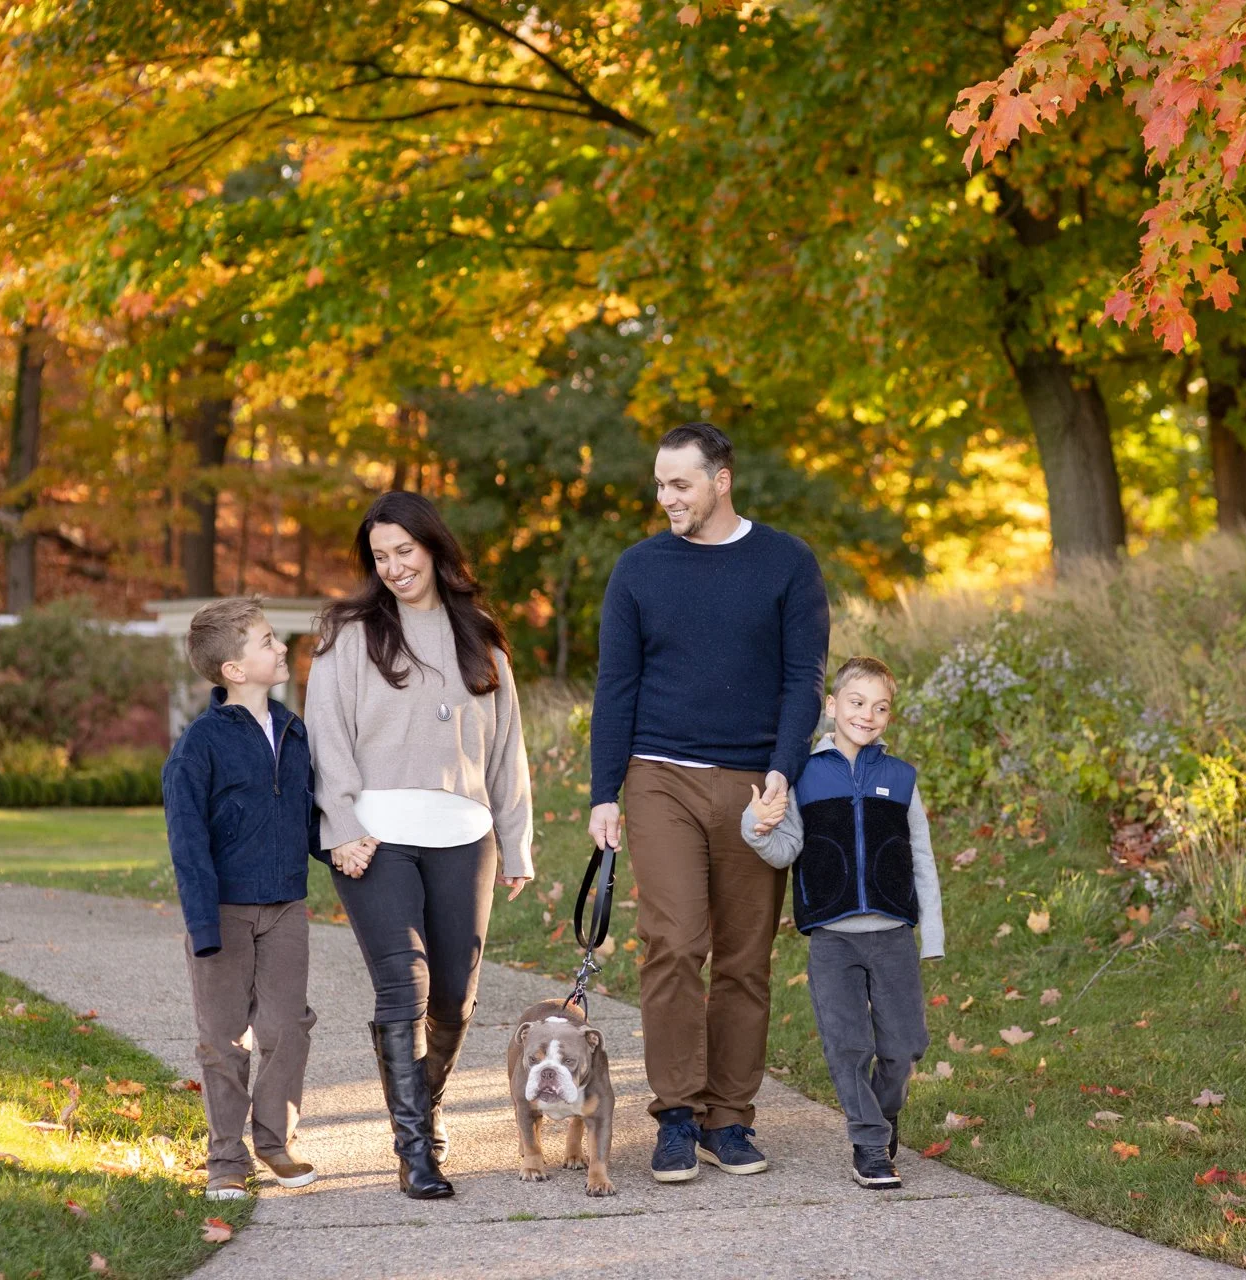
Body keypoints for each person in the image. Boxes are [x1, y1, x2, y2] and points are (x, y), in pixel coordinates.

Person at [588, 421, 830, 1183]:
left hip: (755, 784)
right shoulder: (639, 569)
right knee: (675, 942)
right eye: (659, 484)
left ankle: (730, 1118)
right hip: (659, 776)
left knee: (746, 958)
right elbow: (615, 687)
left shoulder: (786, 563)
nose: (666, 499)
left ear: (721, 480)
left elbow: (805, 679)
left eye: (679, 484)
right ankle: (676, 1114)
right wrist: (604, 794)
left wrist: (784, 772)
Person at [304, 491, 534, 1200]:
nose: (395, 566)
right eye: (381, 556)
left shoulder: (481, 636)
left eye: (405, 550)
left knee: (456, 998)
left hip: (465, 835)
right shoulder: (349, 632)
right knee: (405, 983)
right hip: (375, 837)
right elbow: (326, 731)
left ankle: (422, 1110)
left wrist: (517, 842)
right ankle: (416, 1149)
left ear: (433, 547)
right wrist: (340, 823)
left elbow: (507, 747)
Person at [741, 656, 944, 1190]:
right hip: (832, 938)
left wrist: (933, 934)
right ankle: (870, 1144)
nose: (867, 715)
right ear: (832, 706)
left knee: (905, 1044)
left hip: (893, 935)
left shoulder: (900, 778)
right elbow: (783, 848)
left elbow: (920, 855)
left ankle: (882, 1112)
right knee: (847, 1045)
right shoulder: (803, 774)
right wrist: (756, 825)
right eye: (857, 703)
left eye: (880, 707)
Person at [162, 597, 324, 1202]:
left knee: (288, 1026)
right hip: (223, 912)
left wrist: (342, 850)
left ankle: (274, 1141)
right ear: (233, 669)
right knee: (224, 1038)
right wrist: (204, 925)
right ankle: (227, 1157)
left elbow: (308, 816)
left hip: (285, 906)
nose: (281, 647)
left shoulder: (293, 728)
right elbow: (187, 841)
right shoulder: (199, 745)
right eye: (265, 641)